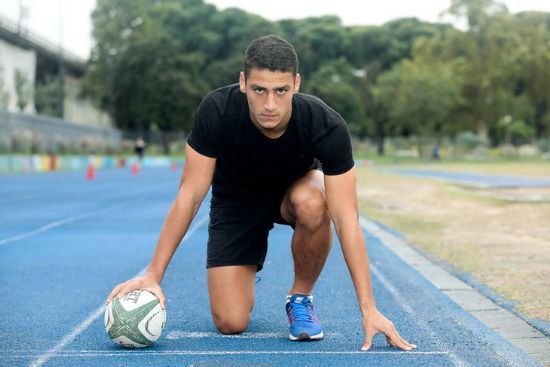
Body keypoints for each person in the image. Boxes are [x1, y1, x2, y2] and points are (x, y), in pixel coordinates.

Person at [106, 35, 416, 351]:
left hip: (293, 195)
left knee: (314, 201)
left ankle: (300, 298)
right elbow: (190, 195)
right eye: (259, 90)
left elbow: (346, 217)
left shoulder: (325, 125)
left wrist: (368, 307)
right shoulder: (217, 110)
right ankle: (242, 272)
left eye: (281, 91)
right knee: (230, 322)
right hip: (237, 202)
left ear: (296, 84)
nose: (270, 104)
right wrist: (153, 273)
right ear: (243, 83)